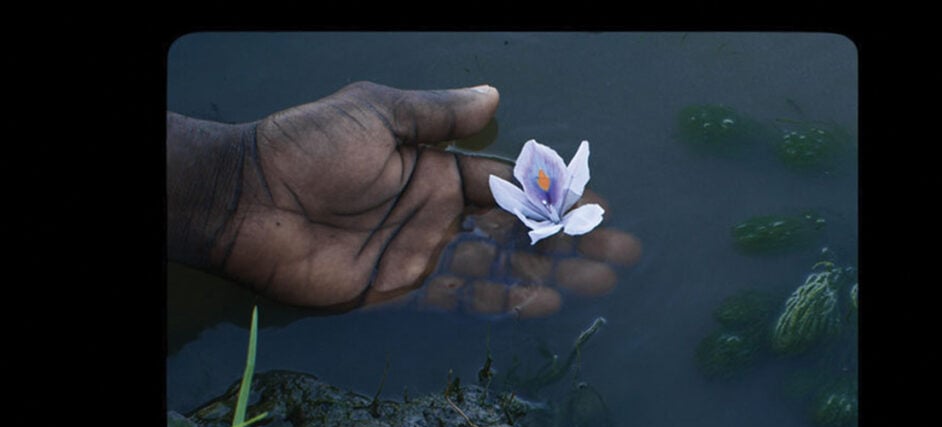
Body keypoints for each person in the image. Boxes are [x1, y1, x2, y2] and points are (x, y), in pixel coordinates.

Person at [167, 81, 640, 319]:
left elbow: (568, 207)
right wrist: (235, 179)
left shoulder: (564, 207)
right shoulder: (503, 195)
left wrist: (233, 178)